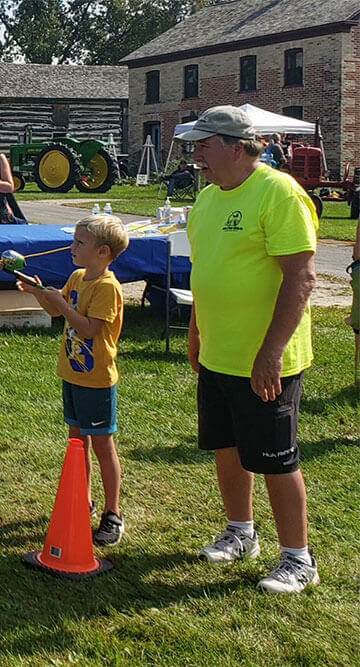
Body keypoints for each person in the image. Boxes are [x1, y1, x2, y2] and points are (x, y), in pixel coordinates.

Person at [177, 105, 318, 594]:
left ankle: (298, 558)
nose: (195, 155)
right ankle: (241, 532)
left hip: (267, 359)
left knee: (277, 459)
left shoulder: (279, 194)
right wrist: (197, 332)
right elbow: (204, 273)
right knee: (227, 446)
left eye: (204, 145)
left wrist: (271, 353)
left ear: (237, 148)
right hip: (219, 354)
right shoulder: (208, 199)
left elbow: (301, 278)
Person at [16, 214, 130, 546]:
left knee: (102, 446)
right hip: (72, 374)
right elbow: (56, 311)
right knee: (77, 443)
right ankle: (82, 499)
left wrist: (59, 304)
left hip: (97, 380)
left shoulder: (107, 287)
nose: (73, 247)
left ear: (103, 252)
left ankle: (113, 513)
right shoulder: (78, 276)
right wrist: (38, 292)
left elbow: (89, 328)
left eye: (80, 243)